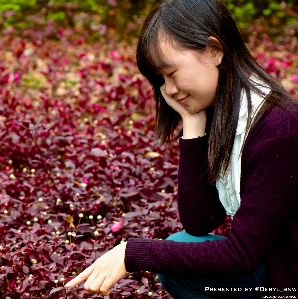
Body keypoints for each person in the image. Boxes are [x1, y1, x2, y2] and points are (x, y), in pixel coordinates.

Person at [65, 0, 298, 298]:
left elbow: (242, 255)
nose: (169, 89)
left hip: (286, 285)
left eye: (171, 73)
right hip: (268, 269)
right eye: (160, 79)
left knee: (180, 255)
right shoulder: (226, 113)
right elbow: (199, 221)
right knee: (182, 251)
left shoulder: (280, 127)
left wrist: (134, 252)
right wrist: (192, 122)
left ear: (213, 51)